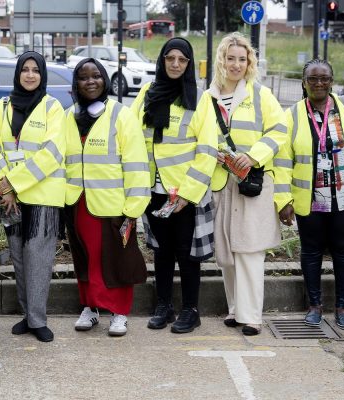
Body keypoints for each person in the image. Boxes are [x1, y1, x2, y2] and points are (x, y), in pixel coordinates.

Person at [275, 59, 344, 330]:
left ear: (332, 81)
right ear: (304, 83)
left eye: (324, 78)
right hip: (310, 200)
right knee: (310, 253)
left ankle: (342, 307)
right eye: (312, 79)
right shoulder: (293, 115)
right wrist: (283, 199)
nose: (318, 83)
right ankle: (314, 306)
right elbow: (283, 162)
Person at [131, 37, 219, 334]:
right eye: (171, 58)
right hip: (155, 189)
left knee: (188, 252)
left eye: (182, 60)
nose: (176, 64)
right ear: (162, 60)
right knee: (161, 250)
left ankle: (190, 310)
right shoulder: (146, 92)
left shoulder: (201, 98)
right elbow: (132, 139)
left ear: (189, 64)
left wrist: (188, 193)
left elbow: (207, 150)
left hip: (185, 193)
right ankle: (164, 304)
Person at [208, 34, 287, 336]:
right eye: (231, 58)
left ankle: (252, 315)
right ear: (222, 60)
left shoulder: (260, 95)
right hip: (223, 181)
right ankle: (234, 310)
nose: (236, 64)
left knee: (250, 250)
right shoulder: (210, 96)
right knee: (227, 250)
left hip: (251, 181)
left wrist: (253, 156)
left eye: (242, 59)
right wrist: (212, 151)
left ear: (249, 62)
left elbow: (280, 131)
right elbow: (201, 134)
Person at [64, 58, 150, 337]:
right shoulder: (69, 116)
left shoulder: (120, 115)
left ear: (106, 80)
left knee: (115, 261)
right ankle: (90, 307)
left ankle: (119, 313)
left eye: (96, 76)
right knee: (84, 258)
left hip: (113, 205)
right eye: (83, 77)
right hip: (78, 203)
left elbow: (137, 164)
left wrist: (134, 207)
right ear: (76, 84)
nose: (91, 81)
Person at [0, 51, 66, 343]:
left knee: (38, 259)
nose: (30, 75)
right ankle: (27, 314)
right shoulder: (2, 106)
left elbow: (53, 153)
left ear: (42, 75)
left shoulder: (52, 107)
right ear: (17, 73)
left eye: (36, 70)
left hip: (42, 195)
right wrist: (4, 187)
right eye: (25, 70)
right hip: (10, 198)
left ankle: (38, 319)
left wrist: (12, 184)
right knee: (19, 258)